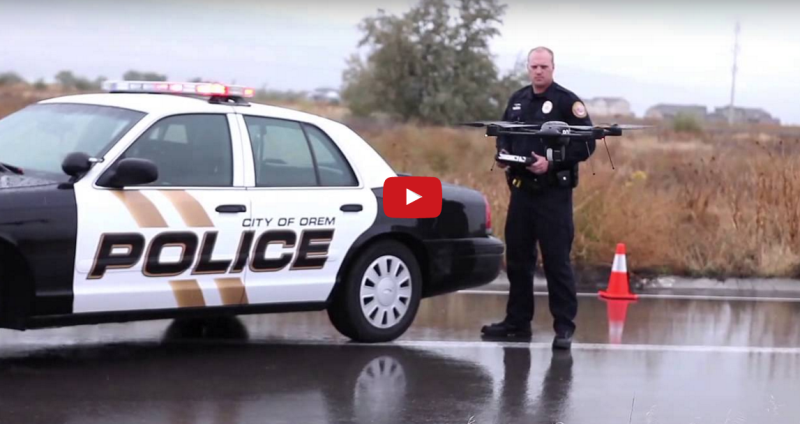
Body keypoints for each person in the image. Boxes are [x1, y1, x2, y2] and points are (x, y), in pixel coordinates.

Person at [481, 46, 596, 350]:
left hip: (553, 194)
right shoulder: (518, 100)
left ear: (553, 68)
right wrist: (503, 153)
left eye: (544, 66)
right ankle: (517, 323)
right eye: (534, 66)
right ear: (528, 68)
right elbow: (504, 133)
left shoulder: (567, 102)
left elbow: (587, 144)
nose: (539, 71)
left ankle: (564, 327)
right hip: (521, 192)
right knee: (518, 260)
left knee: (556, 261)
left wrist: (552, 163)